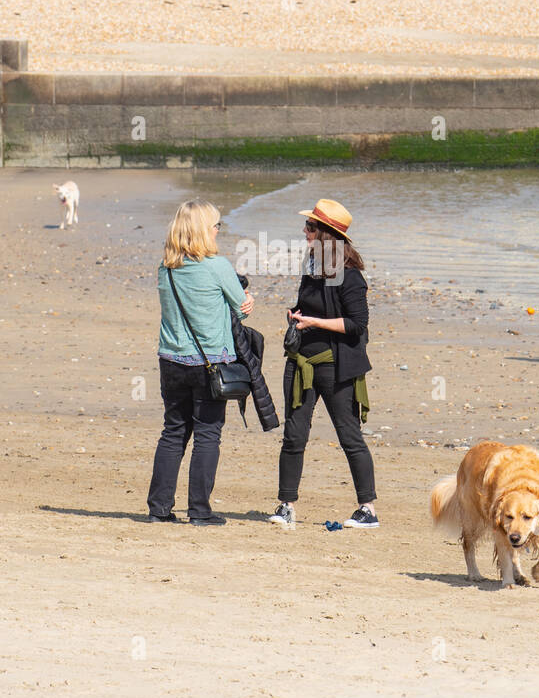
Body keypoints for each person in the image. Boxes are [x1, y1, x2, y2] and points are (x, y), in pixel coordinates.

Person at [272, 200, 376, 529]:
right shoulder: (313, 266)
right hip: (302, 363)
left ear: (327, 234)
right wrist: (296, 316)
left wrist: (313, 323)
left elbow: (357, 324)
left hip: (337, 368)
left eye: (311, 227)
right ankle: (285, 506)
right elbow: (310, 307)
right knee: (293, 436)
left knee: (350, 437)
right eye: (307, 226)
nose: (305, 232)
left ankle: (368, 510)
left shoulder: (350, 276)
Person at [148, 201, 253, 526]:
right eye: (215, 225)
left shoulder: (166, 267)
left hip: (171, 359)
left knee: (174, 431)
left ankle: (159, 508)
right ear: (204, 231)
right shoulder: (217, 265)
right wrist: (248, 301)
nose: (219, 230)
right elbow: (241, 307)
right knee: (208, 433)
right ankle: (199, 510)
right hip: (209, 362)